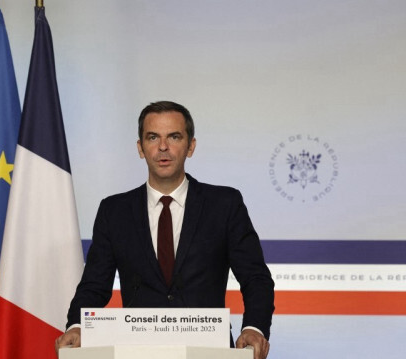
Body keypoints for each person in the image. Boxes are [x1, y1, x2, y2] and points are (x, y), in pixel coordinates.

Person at [56, 101, 274, 359]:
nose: (163, 147)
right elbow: (94, 285)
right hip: (136, 351)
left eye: (174, 136)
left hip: (209, 351)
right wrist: (78, 326)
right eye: (152, 137)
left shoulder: (224, 205)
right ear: (140, 148)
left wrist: (253, 328)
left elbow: (255, 278)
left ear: (191, 146)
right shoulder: (114, 211)